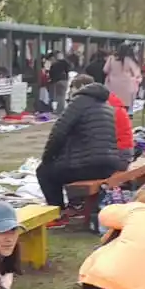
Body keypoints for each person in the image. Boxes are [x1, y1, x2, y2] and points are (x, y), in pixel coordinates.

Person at [35, 76, 125, 226]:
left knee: (44, 172)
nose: (70, 91)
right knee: (64, 167)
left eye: (72, 88)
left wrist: (47, 158)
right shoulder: (106, 105)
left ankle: (57, 213)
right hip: (109, 164)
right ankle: (75, 205)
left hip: (89, 164)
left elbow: (58, 133)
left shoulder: (79, 103)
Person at [104, 44, 141, 111]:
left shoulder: (111, 58)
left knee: (112, 105)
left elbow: (105, 70)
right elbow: (136, 73)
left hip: (112, 85)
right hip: (127, 86)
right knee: (124, 106)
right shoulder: (130, 60)